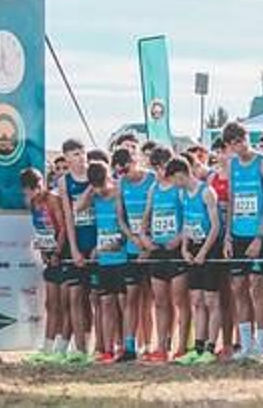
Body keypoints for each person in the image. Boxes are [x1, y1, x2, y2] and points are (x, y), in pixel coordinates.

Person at [222, 122, 263, 362]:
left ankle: (260, 344)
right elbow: (232, 199)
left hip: (260, 234)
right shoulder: (232, 164)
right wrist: (227, 235)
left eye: (241, 139)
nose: (239, 145)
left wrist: (259, 237)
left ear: (247, 138)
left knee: (257, 286)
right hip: (237, 232)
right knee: (238, 287)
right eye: (233, 142)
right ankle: (245, 344)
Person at [74, 160, 139, 363]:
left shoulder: (118, 193)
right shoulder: (94, 194)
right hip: (104, 259)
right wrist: (90, 188)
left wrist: (131, 239)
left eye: (101, 185)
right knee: (105, 302)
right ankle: (107, 349)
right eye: (96, 186)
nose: (100, 190)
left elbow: (121, 220)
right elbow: (77, 207)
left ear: (107, 179)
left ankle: (128, 346)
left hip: (121, 256)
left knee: (125, 301)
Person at [175, 152, 224, 365]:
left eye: (175, 179)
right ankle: (198, 345)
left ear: (181, 174)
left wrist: (204, 251)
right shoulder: (183, 194)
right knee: (196, 300)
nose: (174, 184)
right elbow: (186, 223)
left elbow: (215, 226)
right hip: (193, 248)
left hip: (210, 249)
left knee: (211, 300)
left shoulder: (207, 192)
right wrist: (185, 248)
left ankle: (211, 347)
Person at [143, 155, 190, 363]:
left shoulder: (179, 189)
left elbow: (191, 216)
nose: (160, 172)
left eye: (162, 167)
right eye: (156, 168)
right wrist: (144, 238)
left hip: (177, 250)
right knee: (160, 301)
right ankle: (161, 346)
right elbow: (146, 218)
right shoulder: (153, 189)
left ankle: (182, 346)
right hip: (158, 250)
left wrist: (180, 238)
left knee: (180, 300)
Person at [22, 168, 70, 364]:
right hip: (49, 255)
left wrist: (58, 252)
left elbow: (63, 228)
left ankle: (63, 347)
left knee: (65, 304)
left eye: (29, 191)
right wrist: (44, 251)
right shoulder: (33, 203)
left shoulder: (53, 200)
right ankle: (48, 346)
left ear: (39, 186)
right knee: (51, 304)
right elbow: (40, 229)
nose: (27, 196)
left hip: (63, 254)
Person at [112, 148, 156, 358]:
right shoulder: (121, 184)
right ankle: (130, 346)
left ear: (135, 161)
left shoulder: (152, 179)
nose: (124, 175)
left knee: (152, 299)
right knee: (132, 298)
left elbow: (162, 212)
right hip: (133, 248)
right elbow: (121, 218)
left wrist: (147, 244)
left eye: (126, 169)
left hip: (152, 246)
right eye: (119, 172)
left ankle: (150, 344)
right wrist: (133, 238)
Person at [57, 139, 96, 364]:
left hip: (97, 242)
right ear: (66, 158)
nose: (80, 158)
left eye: (82, 153)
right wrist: (73, 248)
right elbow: (68, 218)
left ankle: (94, 346)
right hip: (78, 243)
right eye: (75, 154)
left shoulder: (95, 175)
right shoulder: (64, 181)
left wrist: (98, 246)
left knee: (95, 299)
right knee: (75, 296)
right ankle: (80, 349)